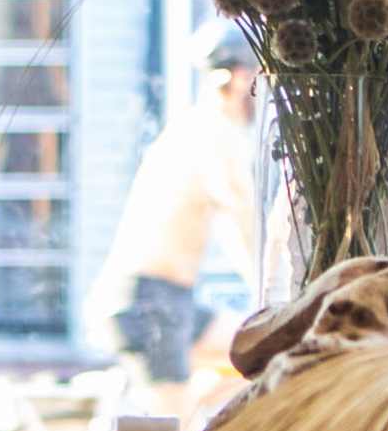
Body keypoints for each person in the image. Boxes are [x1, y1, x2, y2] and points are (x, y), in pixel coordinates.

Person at [89, 24, 260, 384]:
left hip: (169, 299)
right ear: (242, 78)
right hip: (150, 302)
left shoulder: (196, 126)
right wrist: (272, 288)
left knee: (256, 352)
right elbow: (243, 222)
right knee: (171, 430)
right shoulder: (213, 134)